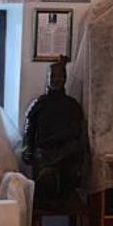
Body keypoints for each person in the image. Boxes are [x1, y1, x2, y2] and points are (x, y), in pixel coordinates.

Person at [22, 59, 85, 203]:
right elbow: (28, 129)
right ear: (48, 78)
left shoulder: (73, 105)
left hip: (67, 152)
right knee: (46, 181)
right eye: (53, 76)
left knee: (71, 176)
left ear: (65, 78)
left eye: (60, 76)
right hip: (44, 151)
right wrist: (26, 148)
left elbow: (79, 133)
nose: (57, 80)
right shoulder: (39, 104)